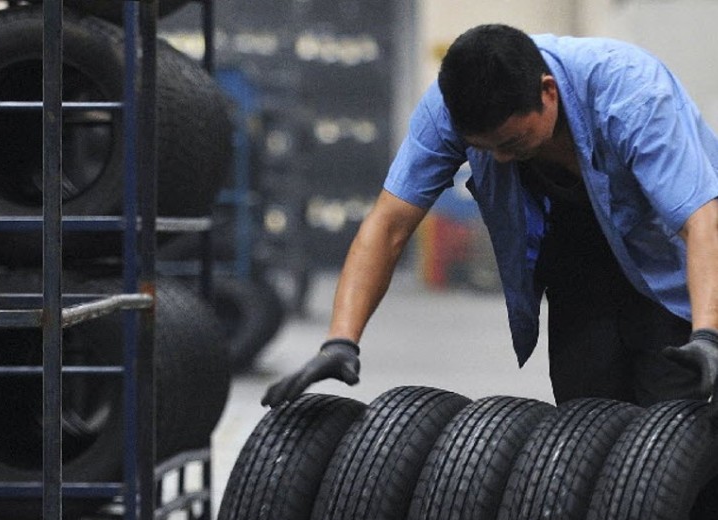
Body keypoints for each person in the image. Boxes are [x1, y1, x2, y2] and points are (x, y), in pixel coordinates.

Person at [263, 23, 718, 408]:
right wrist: (341, 339)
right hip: (579, 269)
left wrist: (708, 336)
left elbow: (700, 221)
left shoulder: (632, 95)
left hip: (676, 274)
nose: (500, 160)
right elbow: (389, 226)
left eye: (513, 144)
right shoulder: (447, 111)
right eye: (486, 148)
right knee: (590, 430)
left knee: (672, 427)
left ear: (548, 93)